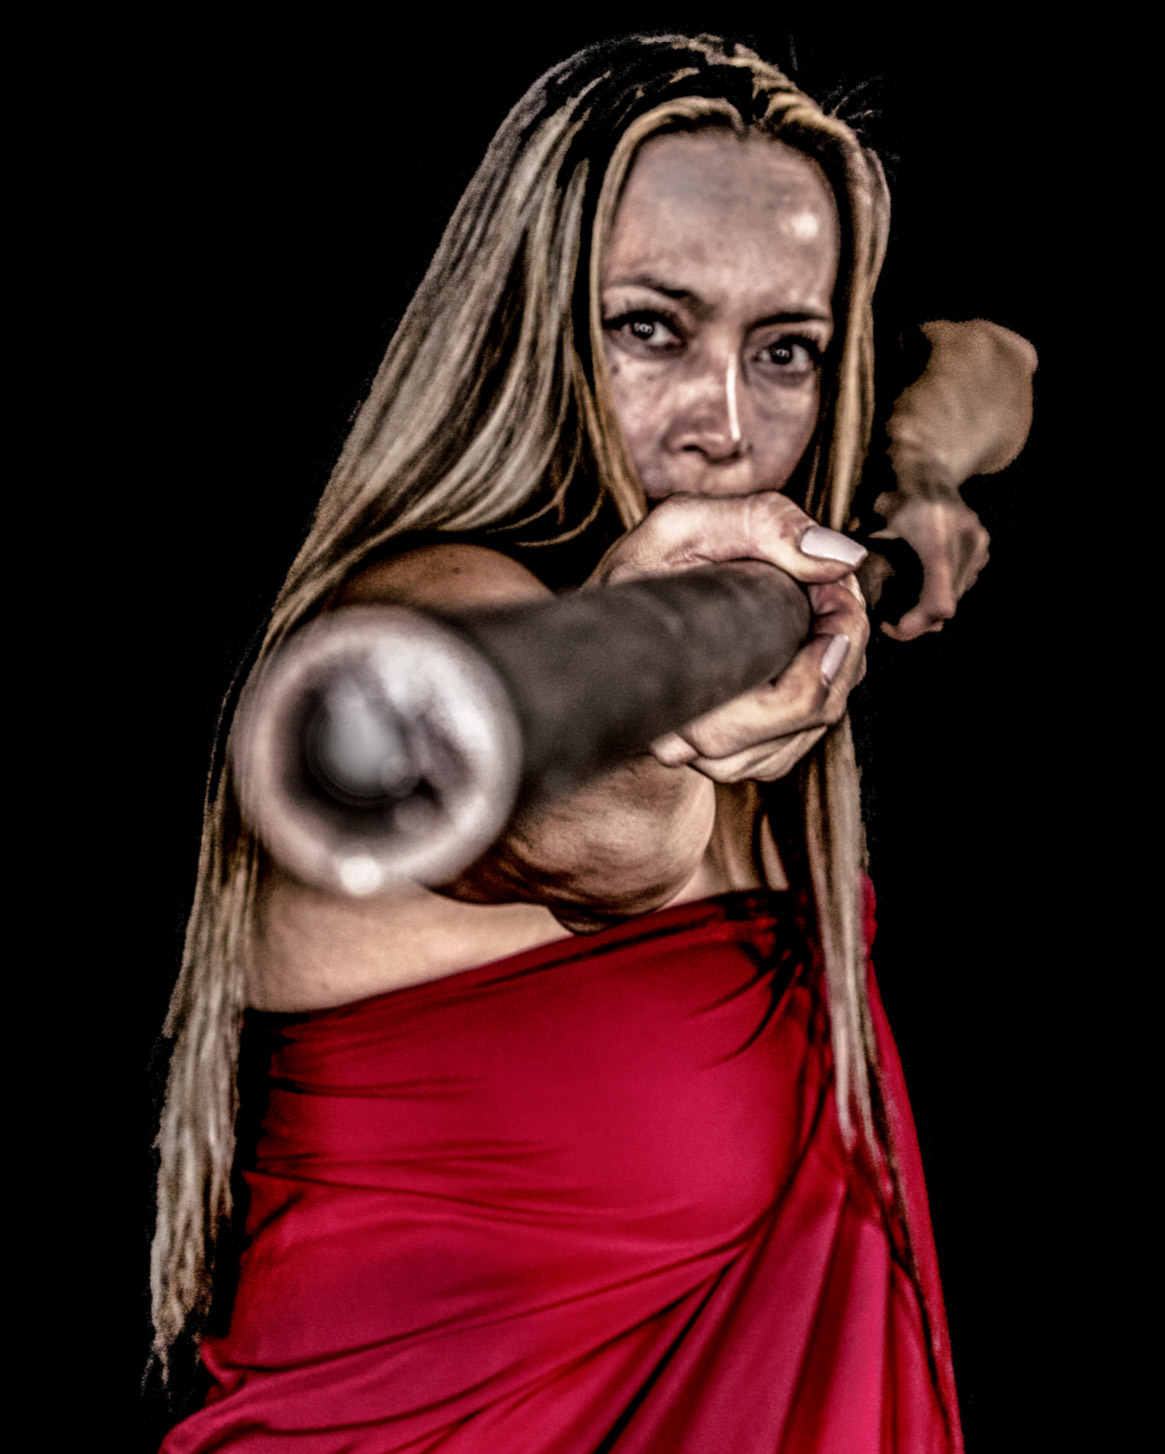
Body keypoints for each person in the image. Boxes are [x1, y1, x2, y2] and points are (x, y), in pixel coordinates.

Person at [152, 34, 1035, 1452]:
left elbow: (992, 359)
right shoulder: (424, 608)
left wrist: (914, 477)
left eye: (787, 350)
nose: (724, 427)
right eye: (648, 329)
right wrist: (649, 721)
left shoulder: (813, 479)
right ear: (526, 324)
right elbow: (594, 825)